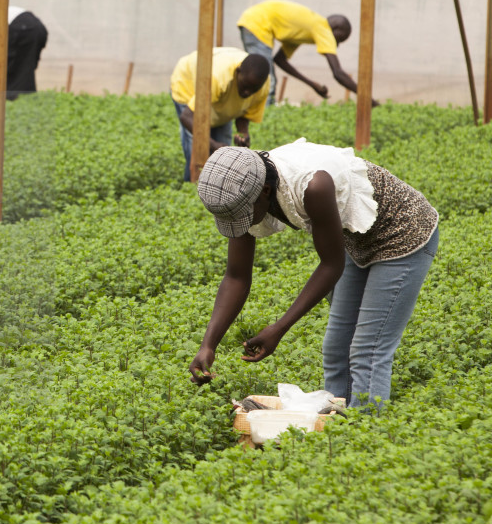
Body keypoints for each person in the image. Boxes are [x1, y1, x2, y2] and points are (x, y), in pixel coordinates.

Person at [188, 140, 440, 410]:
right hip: (354, 240)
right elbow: (237, 277)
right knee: (336, 348)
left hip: (402, 233)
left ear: (265, 191)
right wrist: (208, 345)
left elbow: (331, 264)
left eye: (242, 216)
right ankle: (334, 425)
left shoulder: (312, 186)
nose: (242, 223)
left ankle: (366, 434)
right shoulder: (245, 191)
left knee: (368, 350)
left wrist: (279, 328)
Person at [169, 47, 271, 182]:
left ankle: (217, 189)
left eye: (253, 90)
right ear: (238, 72)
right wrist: (213, 144)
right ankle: (193, 186)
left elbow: (245, 113)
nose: (247, 93)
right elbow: (187, 117)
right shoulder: (218, 78)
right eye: (245, 86)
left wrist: (243, 134)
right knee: (198, 151)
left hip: (219, 95)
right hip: (188, 83)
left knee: (222, 153)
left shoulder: (261, 85)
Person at [237, 0, 365, 104]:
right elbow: (338, 73)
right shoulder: (323, 28)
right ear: (335, 29)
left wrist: (312, 84)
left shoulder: (302, 31)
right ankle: (262, 121)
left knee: (261, 76)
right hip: (258, 23)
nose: (337, 45)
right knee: (267, 80)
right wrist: (367, 98)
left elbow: (280, 60)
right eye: (340, 39)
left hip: (253, 20)